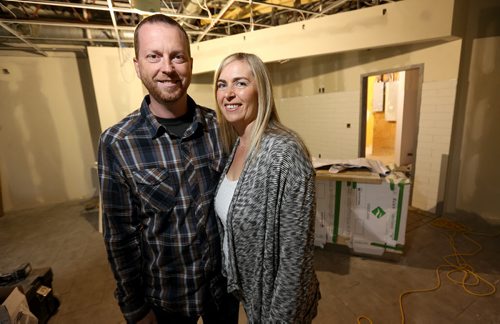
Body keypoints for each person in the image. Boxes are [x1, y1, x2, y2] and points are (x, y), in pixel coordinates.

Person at [97, 14, 239, 324]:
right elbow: (119, 236)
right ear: (138, 65)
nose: (167, 67)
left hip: (223, 291)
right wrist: (134, 306)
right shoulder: (117, 142)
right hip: (166, 299)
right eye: (154, 56)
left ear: (189, 61)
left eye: (177, 56)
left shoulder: (220, 128)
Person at [213, 52, 321, 323]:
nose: (229, 93)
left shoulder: (284, 153)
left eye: (240, 83)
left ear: (261, 90)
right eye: (222, 84)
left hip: (279, 307)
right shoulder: (236, 145)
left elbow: (295, 258)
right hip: (251, 297)